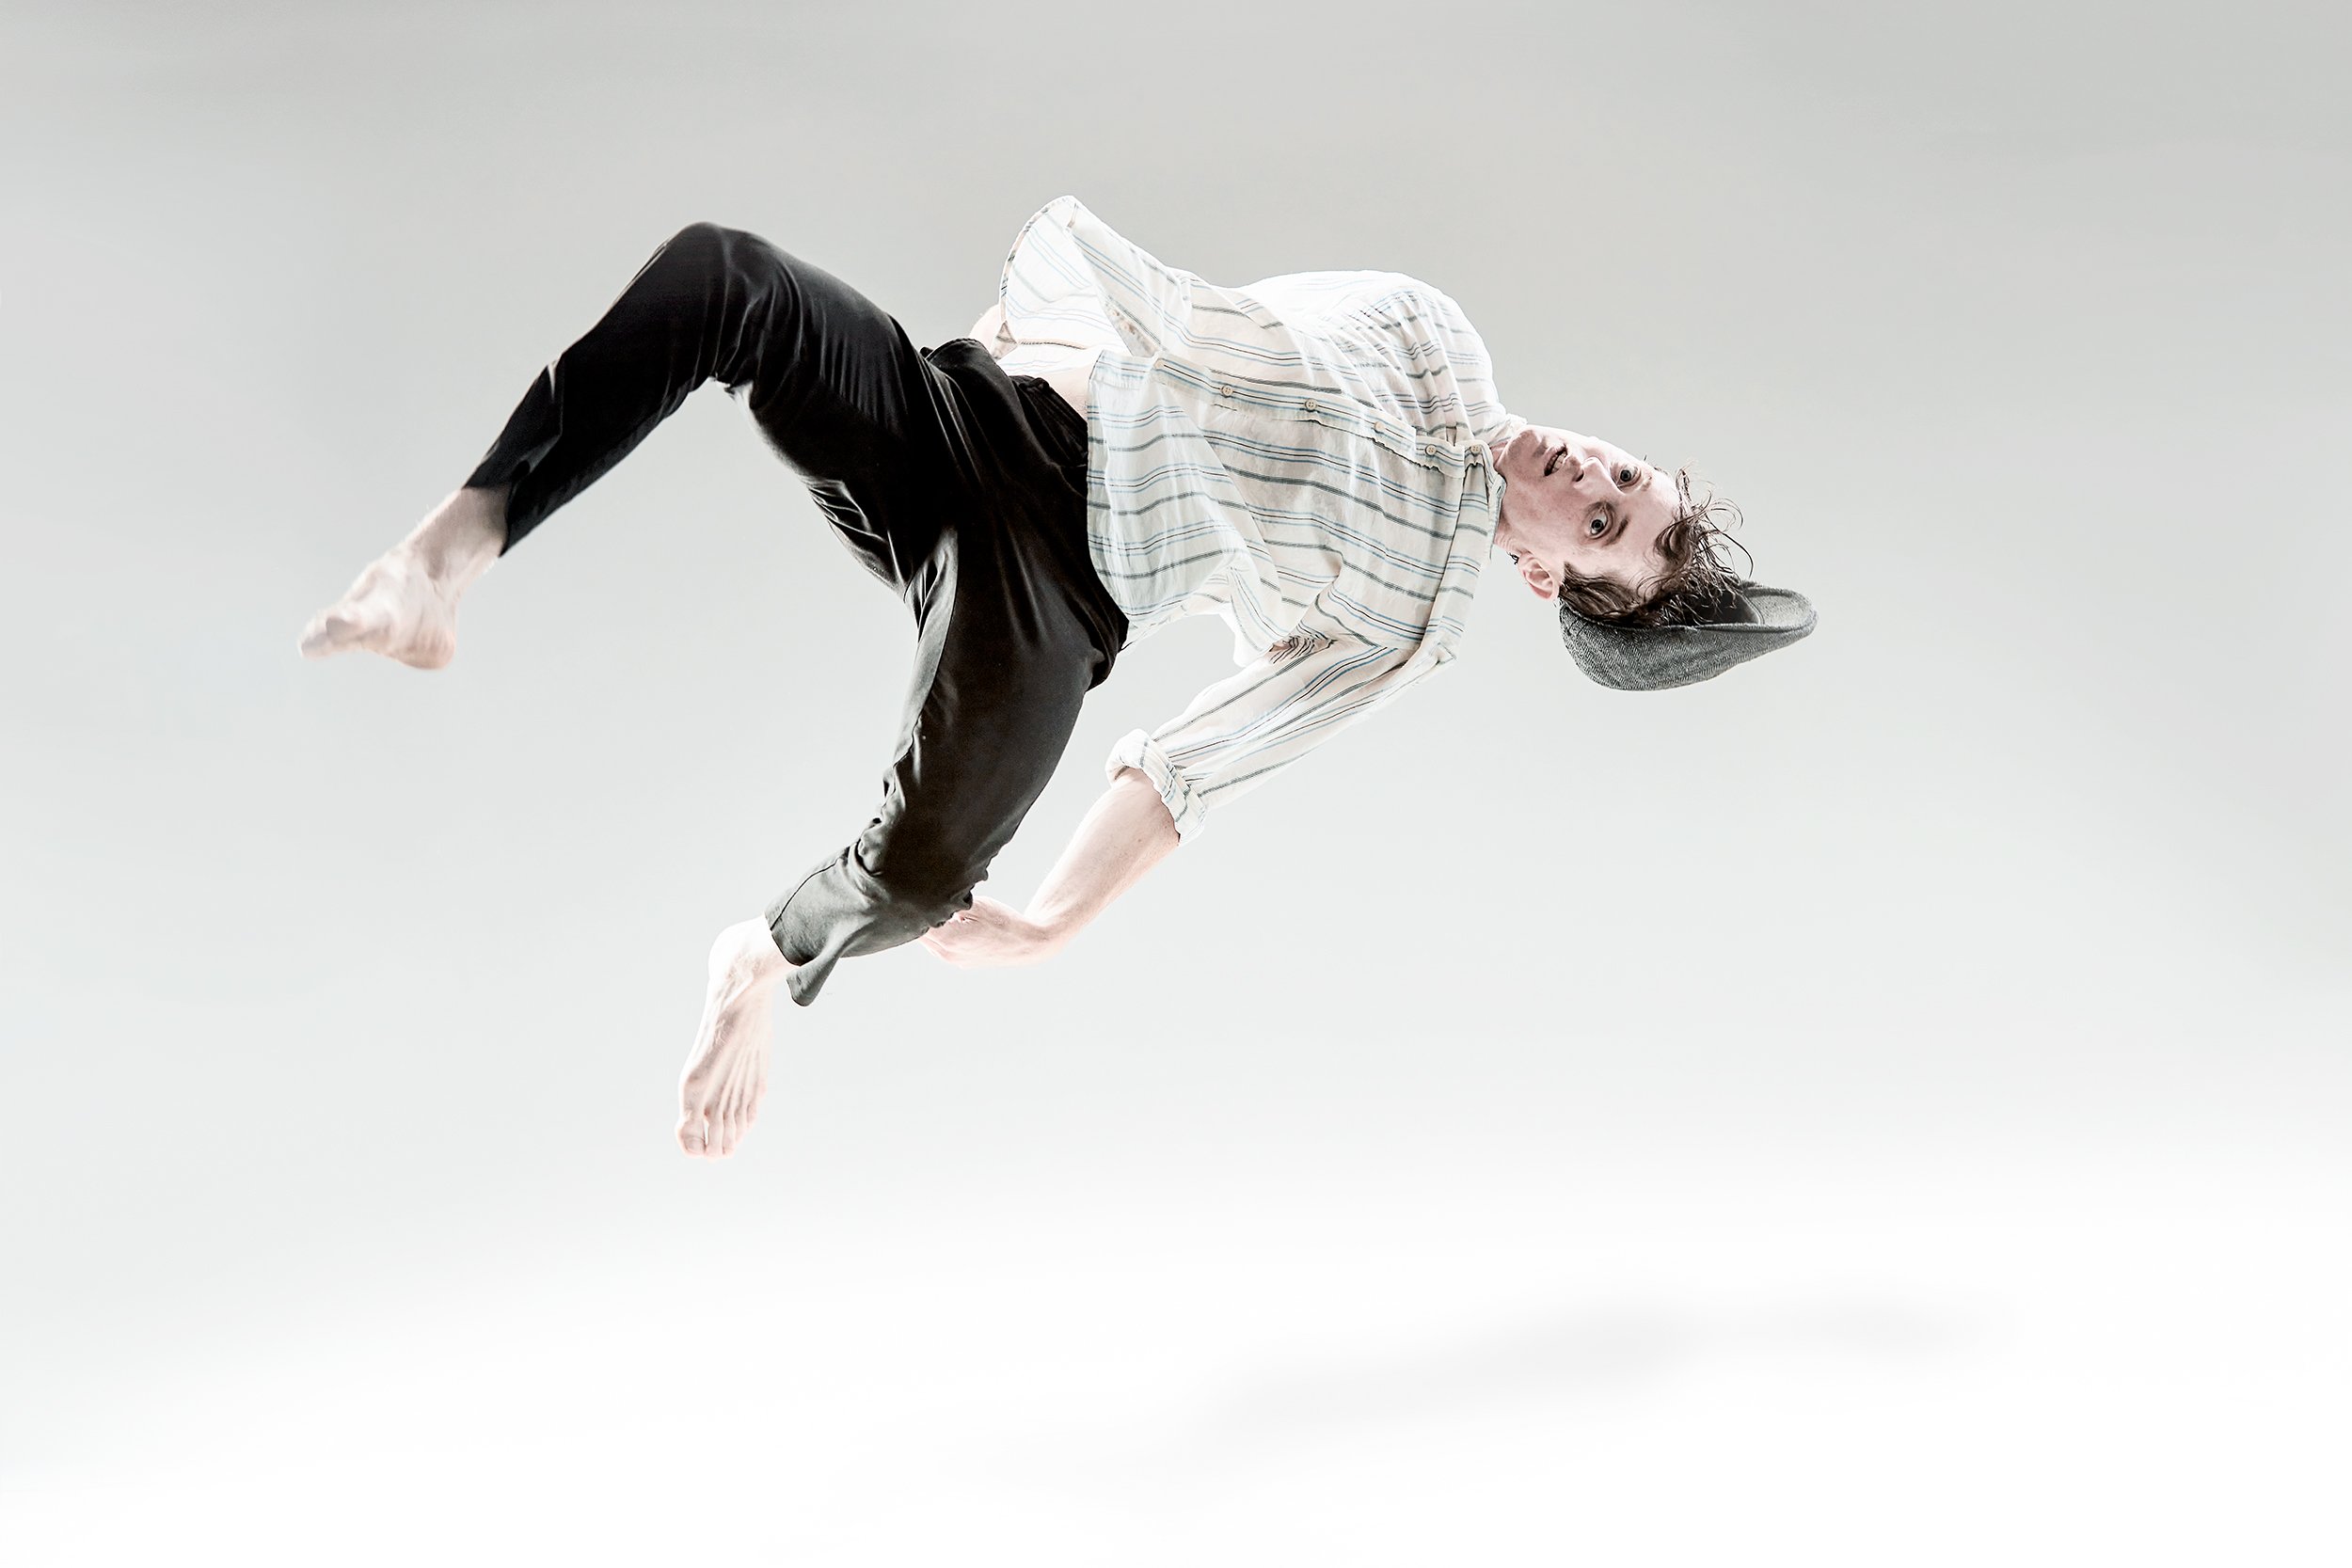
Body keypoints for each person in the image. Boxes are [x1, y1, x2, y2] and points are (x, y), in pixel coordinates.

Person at [296, 196, 1816, 1160]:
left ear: (1551, 577)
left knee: (928, 872)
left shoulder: (1410, 624)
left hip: (1058, 587)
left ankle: (758, 956)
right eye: (1627, 469)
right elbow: (1216, 334)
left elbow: (1194, 762)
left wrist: (1059, 926)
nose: (1593, 474)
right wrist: (1042, 324)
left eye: (1606, 522)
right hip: (980, 415)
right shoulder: (1433, 327)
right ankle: (447, 551)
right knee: (724, 278)